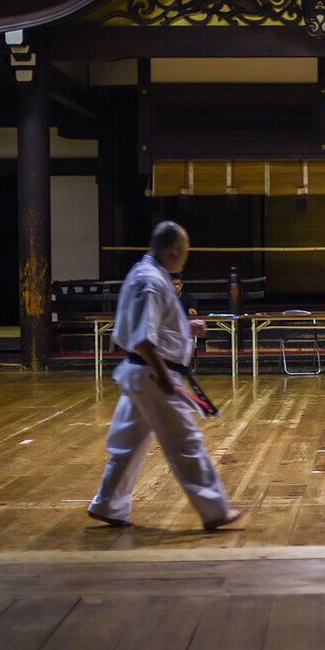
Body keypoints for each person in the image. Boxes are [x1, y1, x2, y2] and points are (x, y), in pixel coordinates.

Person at [87, 221, 246, 530]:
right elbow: (143, 339)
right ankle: (215, 511)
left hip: (142, 372)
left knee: (128, 445)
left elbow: (153, 327)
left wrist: (186, 328)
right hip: (152, 372)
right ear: (175, 248)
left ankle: (108, 505)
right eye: (185, 249)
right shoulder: (149, 280)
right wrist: (162, 376)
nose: (186, 255)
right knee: (185, 442)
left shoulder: (148, 275)